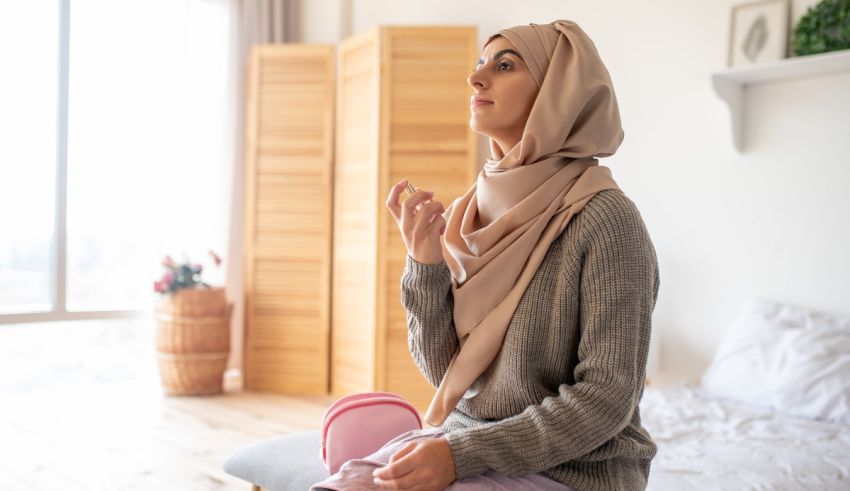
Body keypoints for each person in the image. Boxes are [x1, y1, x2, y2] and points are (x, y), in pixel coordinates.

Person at [310, 19, 659, 491]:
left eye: (505, 65)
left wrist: (461, 454)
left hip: (576, 472)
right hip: (470, 443)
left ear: (556, 91)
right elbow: (448, 375)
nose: (476, 78)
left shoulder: (606, 220)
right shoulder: (469, 213)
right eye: (480, 64)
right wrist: (425, 264)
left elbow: (605, 397)